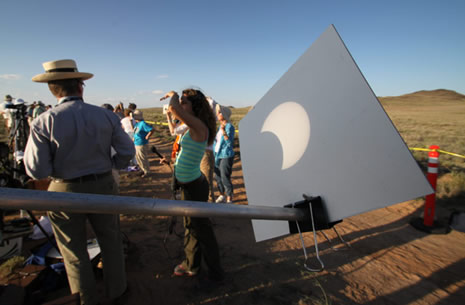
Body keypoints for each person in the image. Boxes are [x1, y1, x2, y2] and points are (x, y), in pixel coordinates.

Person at [24, 59, 135, 305]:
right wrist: (112, 166)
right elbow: (127, 151)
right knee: (111, 241)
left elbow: (36, 169)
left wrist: (60, 168)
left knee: (72, 251)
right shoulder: (105, 115)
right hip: (103, 184)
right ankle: (117, 291)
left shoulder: (43, 121)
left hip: (63, 189)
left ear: (52, 89)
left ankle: (84, 299)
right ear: (81, 86)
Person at [163, 89, 224, 282]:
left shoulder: (199, 125)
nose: (181, 106)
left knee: (201, 230)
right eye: (181, 102)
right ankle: (192, 265)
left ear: (195, 106)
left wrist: (173, 95)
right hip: (190, 184)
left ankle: (215, 273)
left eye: (185, 102)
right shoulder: (192, 125)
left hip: (194, 187)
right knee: (191, 226)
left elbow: (173, 108)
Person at [213, 105, 235, 203]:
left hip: (226, 155)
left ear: (225, 114)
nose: (217, 114)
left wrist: (224, 132)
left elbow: (229, 143)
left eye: (220, 112)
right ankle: (222, 195)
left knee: (224, 177)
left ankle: (229, 198)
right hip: (217, 154)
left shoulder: (229, 126)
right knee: (218, 177)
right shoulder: (219, 127)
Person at [132, 109, 154, 177]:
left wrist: (147, 136)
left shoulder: (143, 123)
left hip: (141, 143)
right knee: (138, 158)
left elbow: (152, 129)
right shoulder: (138, 123)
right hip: (136, 143)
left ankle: (147, 172)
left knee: (142, 158)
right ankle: (142, 170)